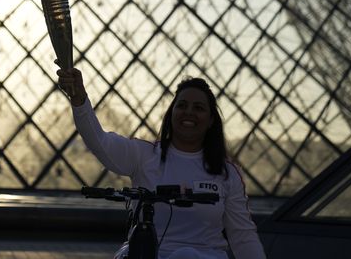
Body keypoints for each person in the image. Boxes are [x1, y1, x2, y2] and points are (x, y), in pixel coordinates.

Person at [57, 68, 266, 259]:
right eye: (181, 105)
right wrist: (79, 98)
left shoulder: (227, 174)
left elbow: (242, 236)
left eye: (199, 108)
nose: (189, 112)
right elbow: (99, 141)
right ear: (171, 113)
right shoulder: (144, 155)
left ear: (211, 120)